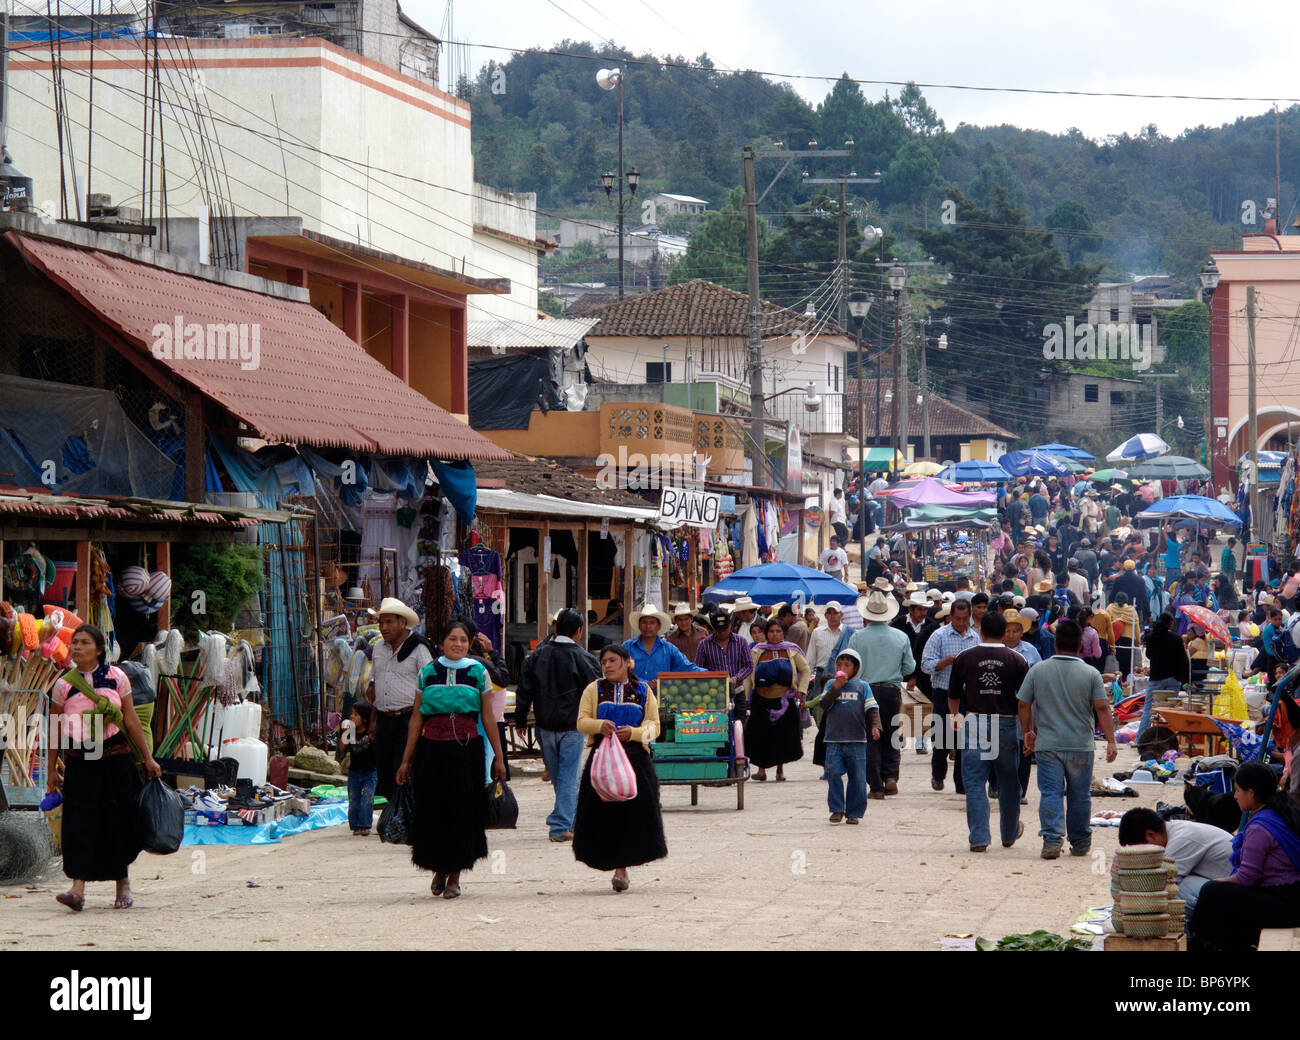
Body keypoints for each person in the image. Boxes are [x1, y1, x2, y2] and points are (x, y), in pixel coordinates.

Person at [49, 624, 162, 912]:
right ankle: (77, 888)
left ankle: (122, 882)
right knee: (78, 822)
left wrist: (148, 758)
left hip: (116, 757)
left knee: (118, 820)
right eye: (74, 643)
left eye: (84, 643)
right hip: (81, 760)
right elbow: (55, 728)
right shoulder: (64, 684)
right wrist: (51, 768)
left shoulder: (117, 678)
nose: (76, 647)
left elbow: (131, 720)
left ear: (99, 649)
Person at [397, 621, 507, 898]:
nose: (457, 644)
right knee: (434, 810)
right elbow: (417, 718)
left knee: (463, 811)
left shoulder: (479, 672)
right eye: (452, 639)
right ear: (442, 642)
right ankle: (439, 867)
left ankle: (455, 875)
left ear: (470, 643)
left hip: (467, 751)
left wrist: (499, 757)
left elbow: (487, 717)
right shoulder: (428, 673)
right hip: (431, 751)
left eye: (463, 640)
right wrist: (406, 760)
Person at [1017, 619, 1118, 860]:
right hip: (1081, 745)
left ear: (1055, 642)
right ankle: (1081, 841)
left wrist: (1028, 731)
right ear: (1080, 645)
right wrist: (1112, 741)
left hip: (1048, 745)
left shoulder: (1038, 670)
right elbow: (1102, 708)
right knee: (1079, 795)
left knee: (1050, 793)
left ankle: (1052, 840)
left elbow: (1023, 703)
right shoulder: (1091, 673)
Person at [573, 644, 668, 892]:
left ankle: (622, 869)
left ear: (627, 662)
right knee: (605, 816)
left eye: (613, 660)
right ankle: (614, 864)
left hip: (635, 760)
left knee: (631, 815)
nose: (607, 666)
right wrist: (599, 725)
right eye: (604, 662)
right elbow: (581, 721)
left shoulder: (643, 691)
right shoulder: (593, 690)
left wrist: (634, 733)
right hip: (603, 760)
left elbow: (654, 726)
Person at [1189, 762, 1300, 952]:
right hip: (1293, 897)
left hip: (1286, 903)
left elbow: (1247, 878)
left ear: (1251, 793)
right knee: (1219, 894)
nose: (1234, 796)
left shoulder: (1260, 826)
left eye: (1238, 790)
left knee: (1212, 891)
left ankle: (1203, 945)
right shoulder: (1281, 812)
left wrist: (1216, 882)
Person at [514, 607, 602, 842]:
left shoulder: (537, 656)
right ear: (579, 631)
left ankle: (567, 821)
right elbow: (597, 693)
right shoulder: (585, 659)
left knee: (559, 776)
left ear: (555, 627)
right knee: (567, 777)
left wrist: (520, 719)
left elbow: (524, 690)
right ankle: (561, 825)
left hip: (543, 726)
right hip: (572, 728)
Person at [949, 611, 1029, 852]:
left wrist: (956, 718)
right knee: (1008, 782)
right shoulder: (1017, 659)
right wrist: (1028, 731)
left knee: (974, 782)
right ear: (1005, 633)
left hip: (973, 722)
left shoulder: (965, 657)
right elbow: (1024, 702)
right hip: (1005, 723)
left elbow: (953, 695)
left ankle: (979, 838)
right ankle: (1009, 833)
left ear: (980, 630)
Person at [1119, 807, 1234, 929]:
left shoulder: (1182, 839)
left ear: (1150, 835)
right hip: (1222, 885)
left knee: (1171, 892)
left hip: (1234, 895)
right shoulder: (1176, 830)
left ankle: (1187, 933)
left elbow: (1160, 883)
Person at [848, 589, 914, 799]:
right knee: (891, 734)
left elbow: (850, 667)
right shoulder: (901, 637)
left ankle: (875, 784)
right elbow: (909, 667)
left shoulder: (857, 637)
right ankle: (891, 777)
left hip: (866, 691)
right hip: (891, 691)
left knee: (871, 737)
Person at [368, 597, 434, 802]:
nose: (383, 627)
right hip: (384, 720)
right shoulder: (378, 648)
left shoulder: (419, 648)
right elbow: (375, 685)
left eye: (388, 622)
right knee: (385, 770)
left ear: (402, 623)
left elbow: (430, 685)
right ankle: (393, 817)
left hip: (409, 719)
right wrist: (372, 722)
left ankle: (406, 818)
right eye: (381, 623)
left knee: (404, 770)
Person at [921, 597, 980, 793]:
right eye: (957, 619)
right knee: (943, 737)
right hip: (943, 692)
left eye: (964, 619)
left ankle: (961, 782)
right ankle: (938, 775)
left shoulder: (975, 638)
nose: (961, 623)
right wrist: (945, 662)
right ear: (950, 617)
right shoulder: (939, 636)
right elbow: (925, 664)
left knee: (964, 739)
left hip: (966, 695)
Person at [742, 618, 810, 781]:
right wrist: (745, 698)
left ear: (783, 633)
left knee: (782, 736)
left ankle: (780, 770)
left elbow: (806, 670)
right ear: (766, 634)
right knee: (760, 736)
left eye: (778, 631)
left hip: (784, 701)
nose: (775, 634)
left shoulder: (791, 651)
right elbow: (747, 676)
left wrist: (802, 690)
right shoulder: (757, 651)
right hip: (761, 700)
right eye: (771, 631)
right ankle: (761, 770)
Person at [820, 649, 881, 824]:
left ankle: (854, 812)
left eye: (847, 665)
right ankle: (836, 809)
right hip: (834, 740)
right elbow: (824, 704)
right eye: (839, 664)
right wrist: (835, 688)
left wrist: (875, 726)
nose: (842, 668)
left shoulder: (863, 686)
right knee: (833, 774)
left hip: (857, 740)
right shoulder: (830, 684)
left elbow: (872, 709)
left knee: (858, 778)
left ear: (856, 668)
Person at [694, 605, 753, 721]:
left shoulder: (741, 642)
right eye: (718, 630)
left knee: (739, 725)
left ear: (730, 625)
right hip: (713, 695)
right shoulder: (704, 645)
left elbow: (749, 665)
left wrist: (737, 677)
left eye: (724, 629)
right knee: (717, 727)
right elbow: (698, 669)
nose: (721, 633)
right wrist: (712, 678)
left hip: (737, 692)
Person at [623, 603, 705, 685]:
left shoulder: (669, 649)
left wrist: (711, 674)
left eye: (652, 622)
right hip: (634, 695)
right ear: (639, 625)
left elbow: (686, 667)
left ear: (658, 626)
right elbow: (621, 671)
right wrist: (644, 683)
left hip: (660, 696)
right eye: (644, 622)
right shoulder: (627, 647)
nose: (648, 626)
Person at [340, 701, 377, 836]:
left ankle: (365, 825)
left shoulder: (371, 732)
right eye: (351, 714)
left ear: (365, 718)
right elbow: (342, 748)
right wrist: (345, 732)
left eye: (355, 714)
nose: (351, 717)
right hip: (354, 771)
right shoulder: (351, 732)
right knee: (353, 800)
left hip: (369, 771)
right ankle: (355, 825)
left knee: (367, 798)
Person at [808, 600, 848, 694]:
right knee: (819, 705)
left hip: (842, 676)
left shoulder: (848, 633)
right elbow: (810, 657)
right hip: (821, 675)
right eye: (829, 613)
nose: (832, 616)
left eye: (835, 613)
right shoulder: (817, 632)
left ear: (841, 615)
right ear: (825, 616)